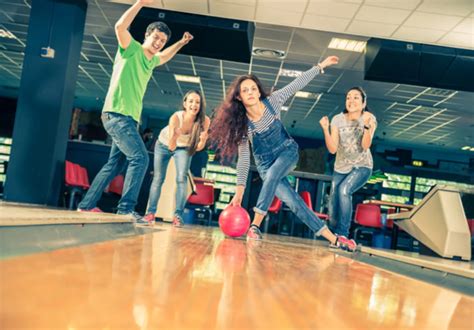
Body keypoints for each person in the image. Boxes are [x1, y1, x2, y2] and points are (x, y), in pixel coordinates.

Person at [209, 56, 357, 251]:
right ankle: (335, 239)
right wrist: (239, 193)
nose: (250, 92)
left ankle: (255, 225)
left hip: (287, 151)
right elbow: (244, 160)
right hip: (265, 165)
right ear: (239, 97)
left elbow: (296, 84)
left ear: (258, 90)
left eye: (253, 88)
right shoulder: (243, 125)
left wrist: (319, 66)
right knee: (294, 203)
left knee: (272, 175)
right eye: (245, 90)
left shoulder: (273, 101)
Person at [77, 0, 193, 224]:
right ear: (147, 35)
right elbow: (120, 27)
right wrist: (140, 3)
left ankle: (86, 205)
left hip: (128, 120)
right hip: (117, 115)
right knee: (140, 159)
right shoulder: (131, 49)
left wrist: (180, 43)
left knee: (115, 164)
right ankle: (126, 209)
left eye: (162, 40)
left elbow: (165, 56)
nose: (158, 43)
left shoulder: (150, 61)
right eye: (156, 37)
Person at [144, 90, 210, 226]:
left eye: (197, 102)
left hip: (184, 147)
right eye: (191, 101)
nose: (194, 105)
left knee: (181, 179)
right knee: (158, 178)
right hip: (164, 144)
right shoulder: (176, 118)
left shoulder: (204, 121)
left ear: (201, 105)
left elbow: (197, 148)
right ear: (185, 104)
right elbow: (171, 147)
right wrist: (174, 135)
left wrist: (203, 141)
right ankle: (150, 213)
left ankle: (178, 216)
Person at [319, 86, 377, 237]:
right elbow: (332, 149)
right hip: (341, 167)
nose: (351, 100)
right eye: (348, 97)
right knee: (333, 201)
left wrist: (365, 126)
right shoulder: (337, 120)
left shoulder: (370, 118)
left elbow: (365, 146)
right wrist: (325, 129)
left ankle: (342, 233)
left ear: (363, 103)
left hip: (362, 166)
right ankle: (332, 233)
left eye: (356, 97)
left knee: (344, 190)